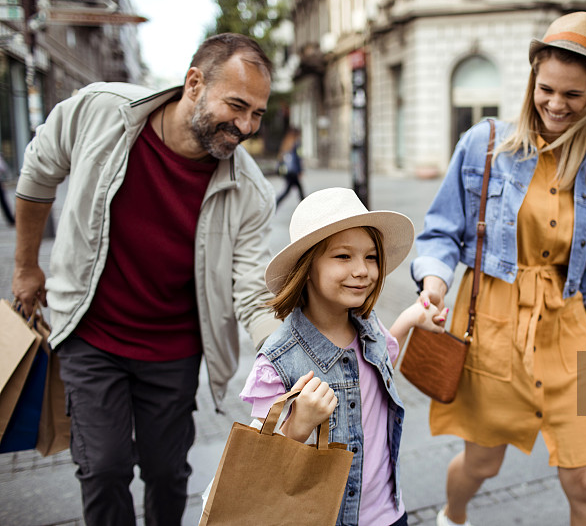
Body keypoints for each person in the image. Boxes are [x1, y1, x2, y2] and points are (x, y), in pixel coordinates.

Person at [12, 33, 277, 525]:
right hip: (90, 336)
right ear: (194, 83)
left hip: (173, 351)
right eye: (237, 106)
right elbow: (38, 174)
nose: (245, 126)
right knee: (104, 467)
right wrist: (26, 265)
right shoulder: (100, 111)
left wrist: (282, 353)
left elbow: (252, 291)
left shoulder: (251, 192)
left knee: (167, 472)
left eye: (257, 114)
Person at [411, 12, 586, 526]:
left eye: (572, 95)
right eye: (547, 89)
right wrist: (434, 285)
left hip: (569, 334)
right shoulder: (485, 143)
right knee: (481, 463)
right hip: (493, 329)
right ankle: (453, 515)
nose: (556, 105)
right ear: (532, 79)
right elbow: (440, 230)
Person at [240, 187, 447, 526]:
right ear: (307, 268)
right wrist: (297, 424)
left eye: (370, 257)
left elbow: (375, 365)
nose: (362, 270)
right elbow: (258, 465)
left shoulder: (367, 325)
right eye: (343, 256)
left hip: (389, 513)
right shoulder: (278, 362)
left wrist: (411, 318)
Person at [275, 125, 305, 207]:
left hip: (287, 172)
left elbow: (281, 157)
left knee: (290, 190)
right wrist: (300, 170)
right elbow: (298, 158)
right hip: (294, 171)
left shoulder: (286, 142)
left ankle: (276, 203)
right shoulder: (296, 144)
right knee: (296, 190)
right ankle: (305, 206)